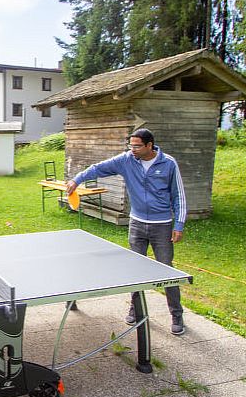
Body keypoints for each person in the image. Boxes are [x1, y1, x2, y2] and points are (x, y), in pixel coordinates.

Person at [66, 128, 187, 335]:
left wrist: (179, 224)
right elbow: (98, 168)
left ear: (150, 146)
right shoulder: (126, 160)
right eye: (131, 145)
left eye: (137, 146)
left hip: (162, 225)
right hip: (137, 224)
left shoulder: (168, 163)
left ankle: (176, 315)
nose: (133, 149)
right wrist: (76, 180)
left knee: (167, 271)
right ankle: (136, 309)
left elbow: (178, 195)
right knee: (135, 270)